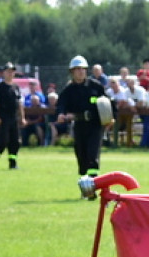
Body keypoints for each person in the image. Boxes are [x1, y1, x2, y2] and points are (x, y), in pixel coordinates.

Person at [56, 55, 109, 199]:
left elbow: (108, 102)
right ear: (72, 71)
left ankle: (92, 189)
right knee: (82, 156)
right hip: (79, 126)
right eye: (77, 69)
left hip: (95, 126)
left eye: (83, 69)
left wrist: (111, 117)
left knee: (92, 156)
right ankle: (85, 189)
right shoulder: (69, 90)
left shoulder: (96, 86)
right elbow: (61, 104)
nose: (80, 71)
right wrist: (61, 114)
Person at [0, 62, 25, 169]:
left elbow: (19, 103)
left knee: (16, 142)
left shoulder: (16, 87)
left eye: (12, 71)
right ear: (4, 73)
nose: (10, 73)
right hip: (3, 118)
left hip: (14, 118)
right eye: (8, 71)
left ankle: (12, 163)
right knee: (3, 141)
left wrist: (22, 117)